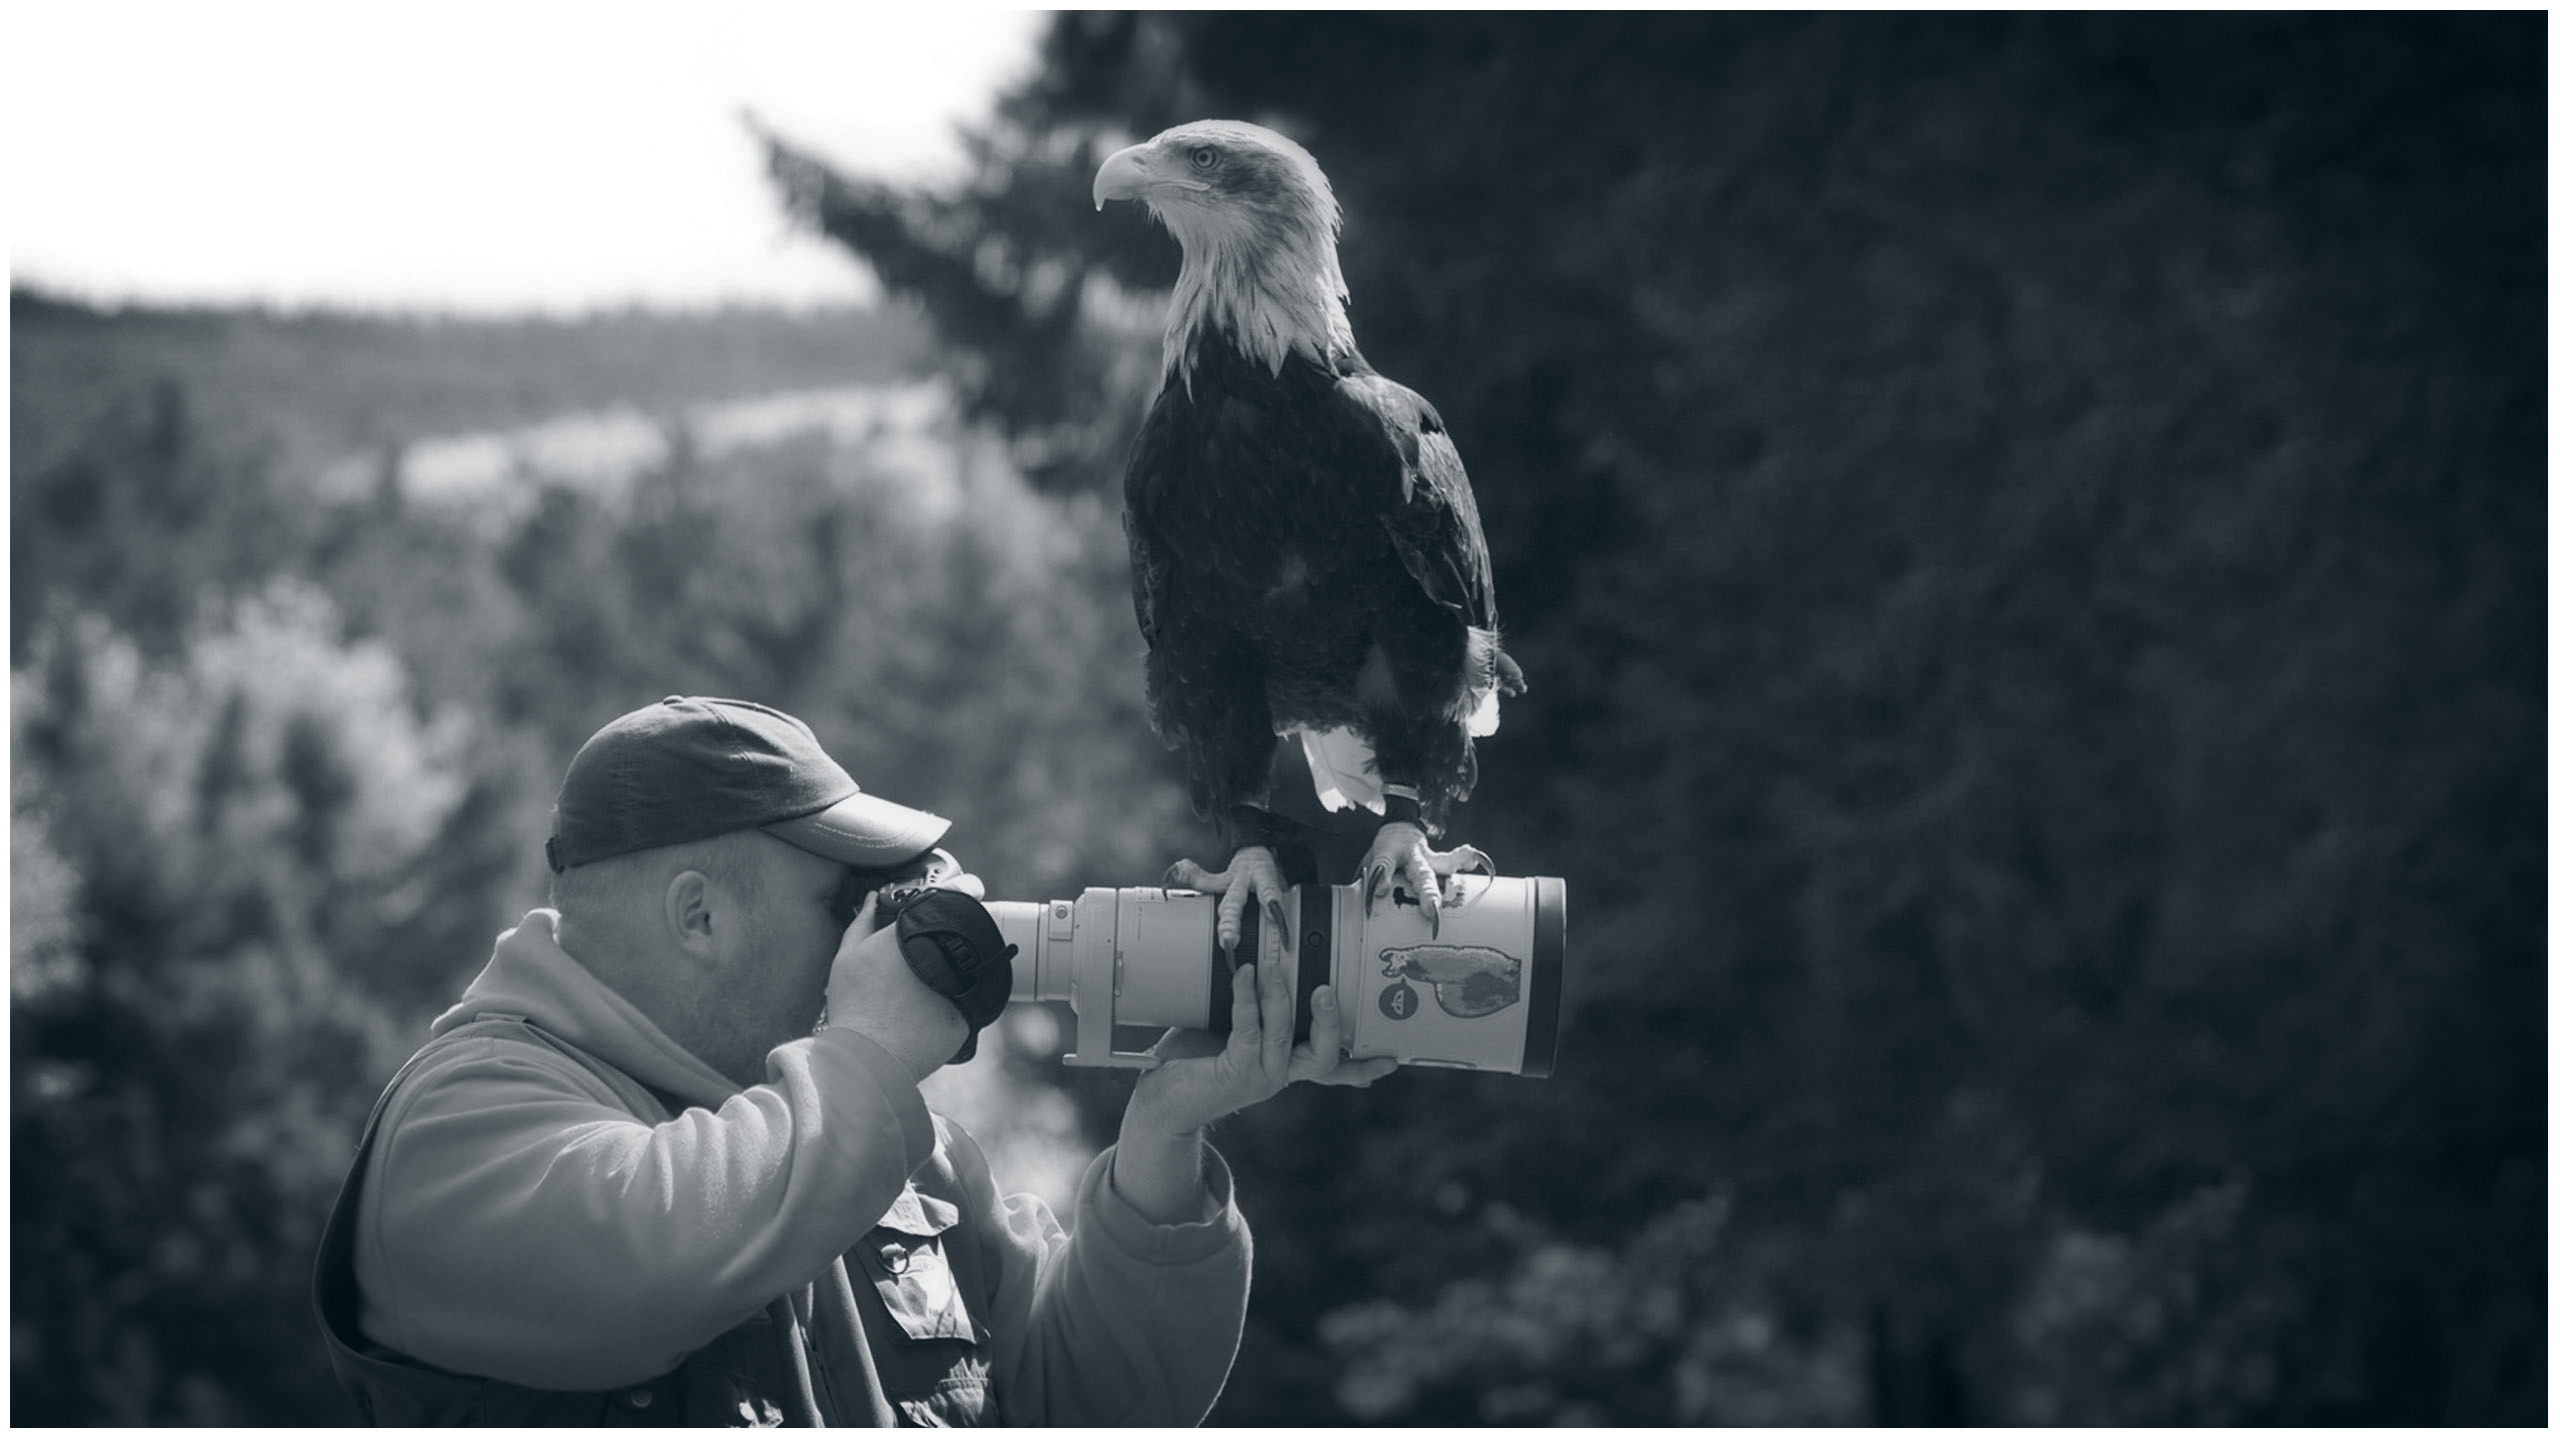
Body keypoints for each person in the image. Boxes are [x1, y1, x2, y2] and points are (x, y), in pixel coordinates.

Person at [312, 695, 1394, 1425]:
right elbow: (670, 1246)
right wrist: (872, 1048)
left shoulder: (862, 1133)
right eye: (850, 902)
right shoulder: (462, 1124)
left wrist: (1165, 1134)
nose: (879, 936)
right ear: (698, 917)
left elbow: (1081, 1397)